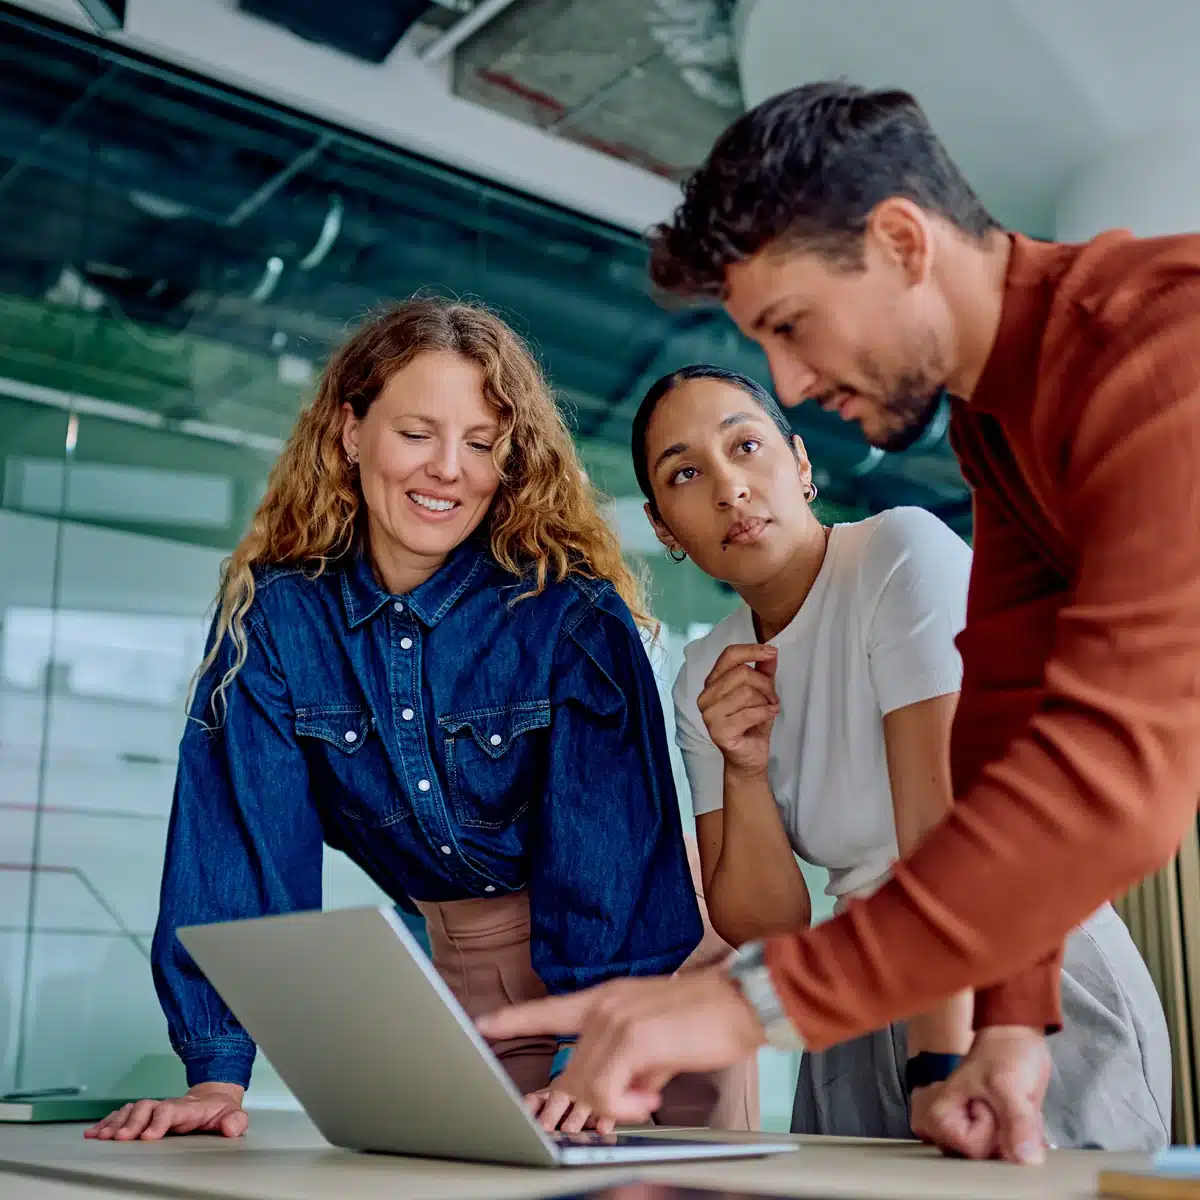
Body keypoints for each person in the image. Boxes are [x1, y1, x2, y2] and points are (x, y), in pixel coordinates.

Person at [478, 81, 1200, 1164]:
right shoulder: (1001, 435)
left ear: (902, 240)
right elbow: (999, 742)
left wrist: (742, 1010)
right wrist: (1009, 1019)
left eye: (792, 327)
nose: (795, 383)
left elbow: (1118, 767)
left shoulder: (1150, 345)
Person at [85, 297, 756, 1142]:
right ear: (349, 432)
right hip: (461, 972)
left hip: (641, 974)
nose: (448, 468)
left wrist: (597, 1051)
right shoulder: (279, 623)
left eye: (480, 444)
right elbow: (238, 846)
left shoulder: (570, 619)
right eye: (416, 433)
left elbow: (610, 862)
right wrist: (217, 1076)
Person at [635, 362, 1169, 1149]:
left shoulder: (900, 553)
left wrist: (937, 1062)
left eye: (745, 447)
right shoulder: (704, 676)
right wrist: (743, 769)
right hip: (860, 996)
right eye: (686, 472)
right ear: (663, 528)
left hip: (1014, 972)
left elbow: (941, 841)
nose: (728, 487)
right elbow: (767, 922)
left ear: (801, 464)